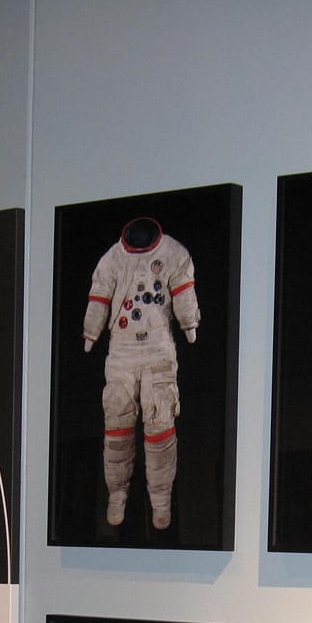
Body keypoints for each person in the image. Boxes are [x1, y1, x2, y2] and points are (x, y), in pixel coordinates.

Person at [82, 216, 200, 530]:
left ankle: (160, 500)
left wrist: (189, 323)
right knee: (117, 421)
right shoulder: (113, 258)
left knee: (160, 422)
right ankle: (117, 492)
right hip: (122, 349)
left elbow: (184, 292)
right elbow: (99, 295)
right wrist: (91, 331)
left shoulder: (173, 252)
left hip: (158, 348)